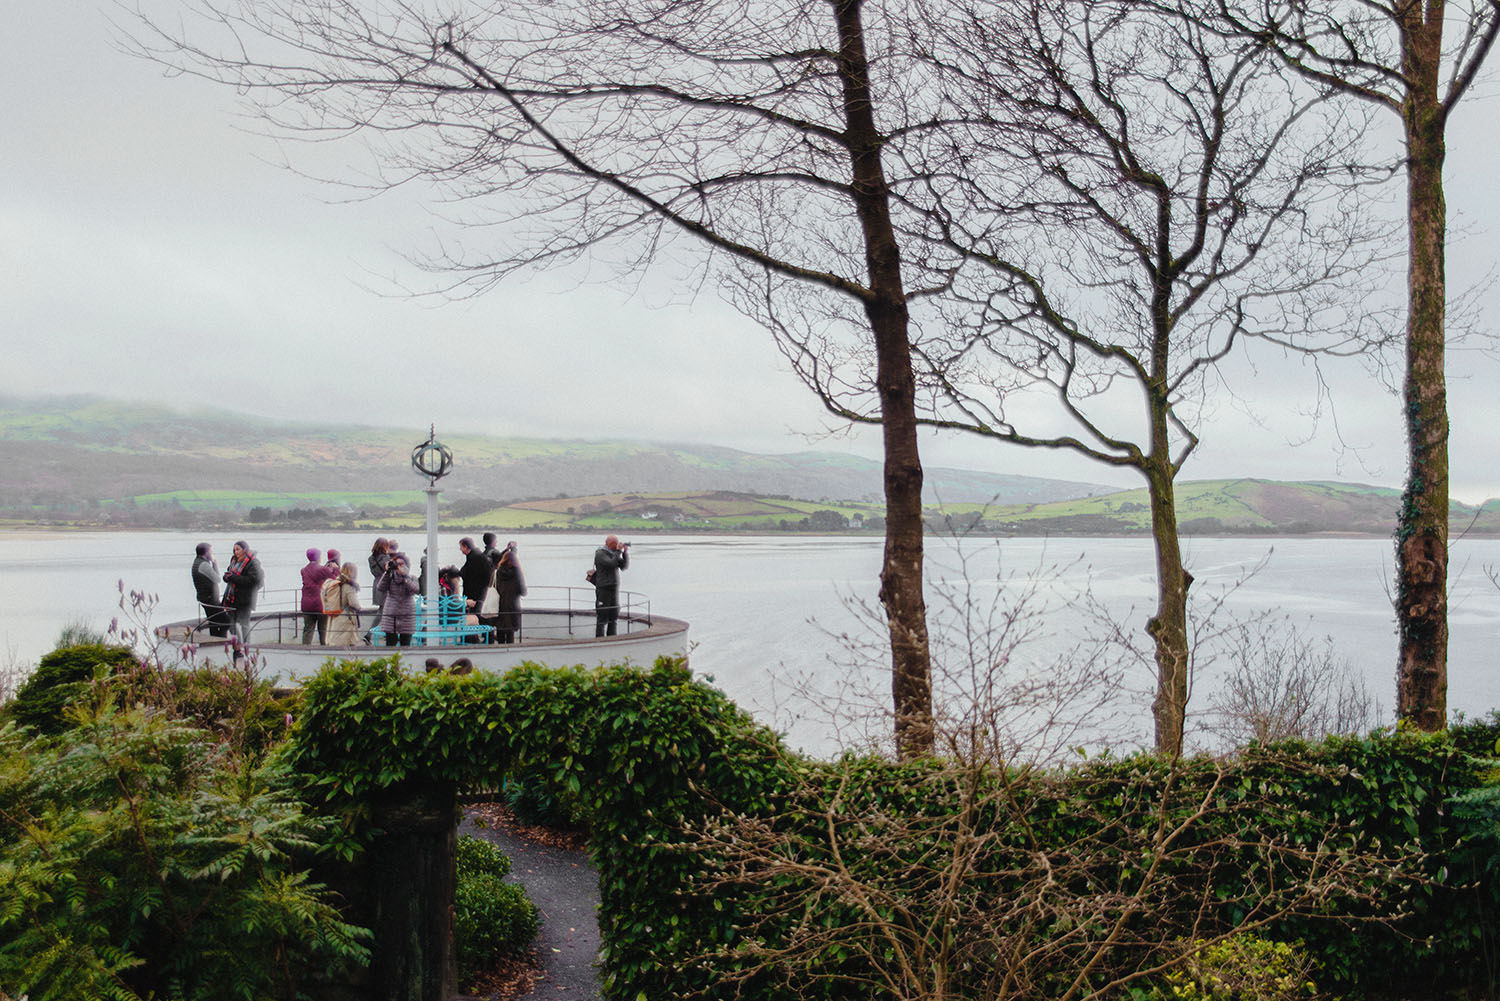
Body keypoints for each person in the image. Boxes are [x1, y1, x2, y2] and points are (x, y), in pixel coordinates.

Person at [221, 540, 264, 647]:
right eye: (234, 550)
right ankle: (237, 642)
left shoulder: (253, 563)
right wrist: (226, 577)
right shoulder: (233, 561)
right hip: (231, 597)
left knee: (244, 624)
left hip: (245, 598)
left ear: (245, 550)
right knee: (230, 622)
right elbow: (229, 574)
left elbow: (252, 580)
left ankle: (246, 645)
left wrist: (233, 577)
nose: (236, 552)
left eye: (238, 549)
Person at [378, 553, 420, 647]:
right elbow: (380, 588)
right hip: (391, 614)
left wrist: (405, 577)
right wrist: (387, 572)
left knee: (405, 644)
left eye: (401, 564)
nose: (398, 566)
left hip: (407, 614)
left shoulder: (412, 578)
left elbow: (415, 590)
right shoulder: (390, 577)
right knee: (390, 644)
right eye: (396, 564)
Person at [592, 535, 630, 637]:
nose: (616, 546)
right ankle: (599, 639)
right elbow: (612, 564)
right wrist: (618, 551)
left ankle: (612, 638)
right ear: (609, 543)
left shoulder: (613, 553)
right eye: (615, 544)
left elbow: (624, 566)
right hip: (603, 588)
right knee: (602, 616)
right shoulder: (600, 554)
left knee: (613, 615)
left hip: (613, 588)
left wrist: (625, 553)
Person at [299, 548, 339, 645]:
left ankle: (305, 649)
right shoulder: (322, 569)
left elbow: (316, 576)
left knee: (308, 629)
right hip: (320, 604)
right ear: (318, 557)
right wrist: (335, 569)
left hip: (307, 604)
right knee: (323, 629)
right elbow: (334, 579)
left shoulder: (303, 570)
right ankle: (324, 649)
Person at [491, 541, 527, 644]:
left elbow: (495, 587)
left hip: (500, 605)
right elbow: (523, 591)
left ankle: (499, 654)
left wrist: (509, 549)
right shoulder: (517, 573)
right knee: (510, 633)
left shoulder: (498, 572)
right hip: (513, 605)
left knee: (500, 631)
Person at [323, 562, 366, 646]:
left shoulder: (336, 582)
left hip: (335, 614)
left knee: (334, 639)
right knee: (346, 641)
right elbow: (353, 603)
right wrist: (359, 608)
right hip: (346, 617)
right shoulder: (348, 586)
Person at [458, 537, 491, 643]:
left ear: (466, 546)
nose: (460, 549)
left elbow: (467, 574)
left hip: (474, 594)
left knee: (475, 617)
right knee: (479, 617)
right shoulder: (478, 556)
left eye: (461, 546)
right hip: (480, 592)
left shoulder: (474, 558)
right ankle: (483, 638)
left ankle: (473, 639)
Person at [191, 542, 227, 637]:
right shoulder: (204, 565)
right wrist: (215, 563)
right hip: (210, 600)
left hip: (205, 598)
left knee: (214, 623)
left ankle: (217, 640)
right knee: (226, 621)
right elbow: (218, 579)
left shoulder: (197, 562)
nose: (212, 554)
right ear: (206, 553)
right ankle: (221, 640)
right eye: (211, 552)